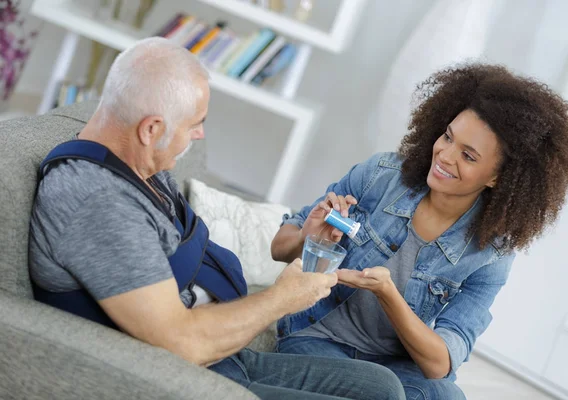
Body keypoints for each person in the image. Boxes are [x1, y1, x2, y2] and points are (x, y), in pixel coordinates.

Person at [28, 37, 405, 400]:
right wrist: (282, 299)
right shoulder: (98, 201)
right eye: (195, 123)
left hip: (225, 355)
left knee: (382, 387)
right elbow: (181, 340)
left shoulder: (140, 165)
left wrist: (304, 242)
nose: (200, 133)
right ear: (151, 129)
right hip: (176, 374)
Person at [271, 63, 568, 400]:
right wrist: (310, 237)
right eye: (448, 136)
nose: (445, 156)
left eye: (467, 155)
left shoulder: (490, 254)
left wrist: (388, 295)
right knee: (382, 392)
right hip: (317, 337)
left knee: (447, 396)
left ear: (497, 178)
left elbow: (440, 364)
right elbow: (279, 247)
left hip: (393, 362)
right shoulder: (380, 175)